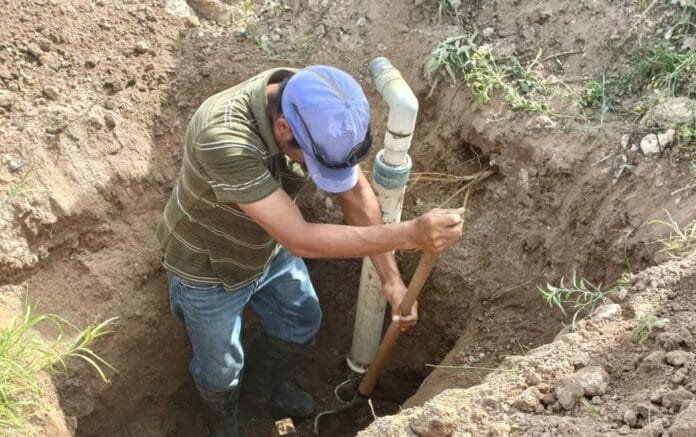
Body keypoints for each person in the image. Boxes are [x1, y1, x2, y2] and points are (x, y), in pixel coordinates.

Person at [156, 65, 464, 436]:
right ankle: (222, 424)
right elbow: (299, 238)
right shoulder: (223, 137)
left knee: (300, 320)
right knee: (221, 371)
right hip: (209, 266)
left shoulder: (320, 104)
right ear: (283, 129)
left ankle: (261, 392)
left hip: (267, 247)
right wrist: (410, 234)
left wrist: (391, 279)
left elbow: (354, 192)